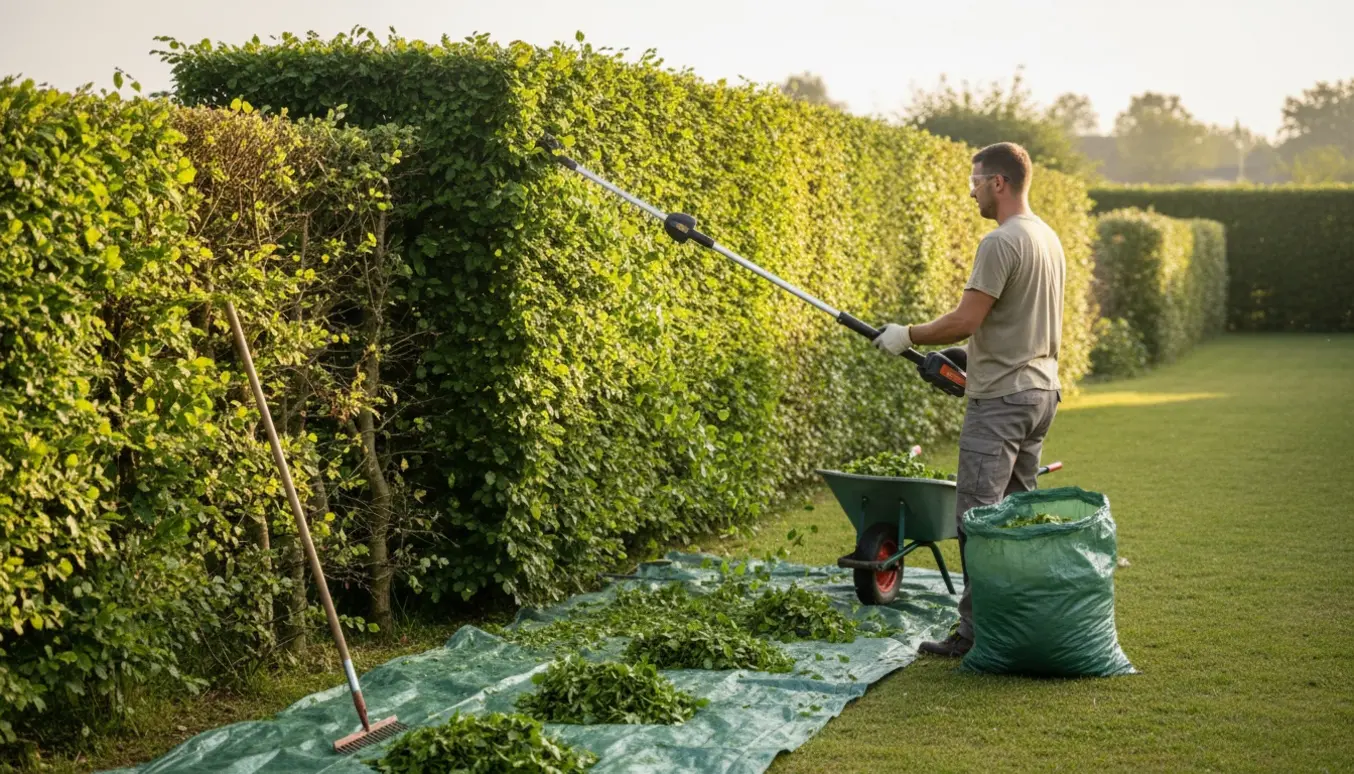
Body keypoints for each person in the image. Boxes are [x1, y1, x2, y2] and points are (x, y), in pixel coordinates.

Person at [871, 142, 1066, 657]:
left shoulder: (1000, 242)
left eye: (976, 180)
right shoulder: (1046, 237)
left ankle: (973, 635)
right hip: (1041, 392)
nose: (972, 190)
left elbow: (966, 319)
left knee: (978, 521)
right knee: (1018, 518)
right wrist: (966, 354)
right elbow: (1011, 322)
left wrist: (907, 334)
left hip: (1001, 401)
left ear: (999, 182)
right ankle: (1020, 622)